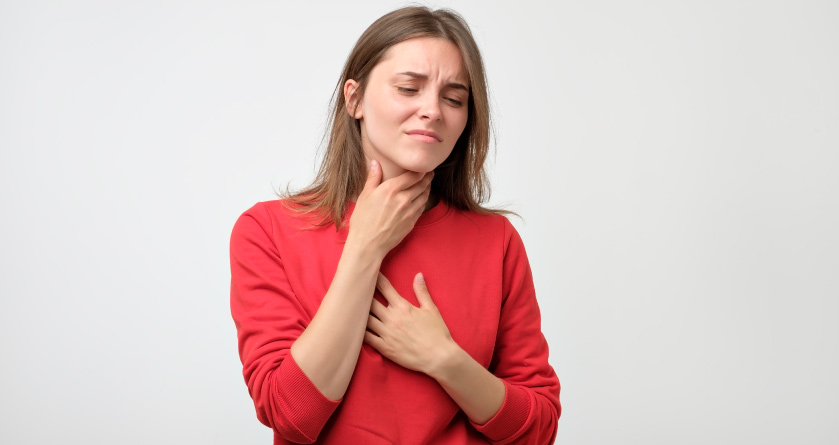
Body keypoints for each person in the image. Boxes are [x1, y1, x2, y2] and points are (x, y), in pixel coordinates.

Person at [229, 6, 560, 444]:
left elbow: (538, 428)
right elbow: (291, 416)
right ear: (355, 99)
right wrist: (365, 246)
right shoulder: (267, 230)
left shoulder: (496, 241)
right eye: (409, 88)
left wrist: (444, 359)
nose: (433, 111)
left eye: (454, 98)